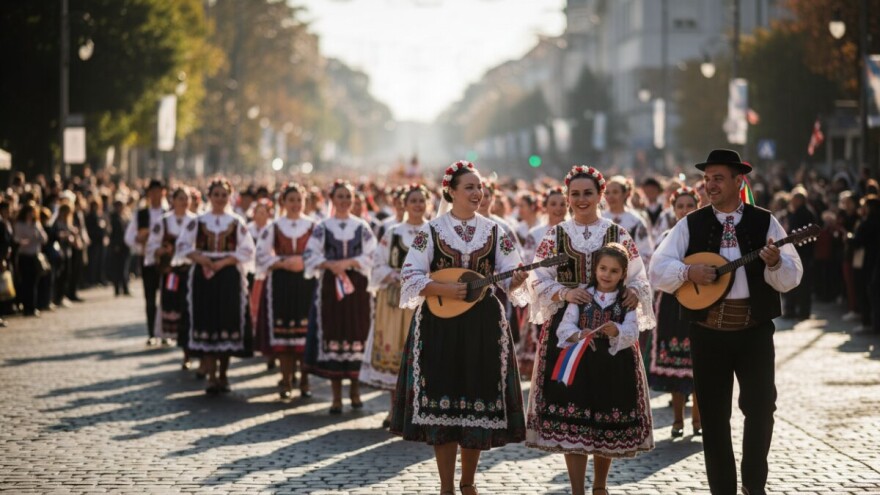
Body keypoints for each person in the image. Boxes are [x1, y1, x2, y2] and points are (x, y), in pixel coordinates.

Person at [651, 149, 803, 495]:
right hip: (709, 332)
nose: (710, 185)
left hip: (754, 331)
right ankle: (722, 490)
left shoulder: (765, 221)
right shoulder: (691, 223)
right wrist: (688, 271)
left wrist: (776, 262)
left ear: (739, 180)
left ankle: (754, 483)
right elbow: (657, 269)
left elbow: (792, 277)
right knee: (715, 418)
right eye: (707, 179)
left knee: (762, 408)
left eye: (718, 178)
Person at [390, 161, 529, 495]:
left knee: (476, 400)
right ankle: (446, 486)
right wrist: (444, 289)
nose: (477, 193)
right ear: (450, 192)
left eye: (479, 187)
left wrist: (518, 277)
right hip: (440, 324)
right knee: (443, 402)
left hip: (483, 325)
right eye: (469, 187)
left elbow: (510, 271)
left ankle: (468, 482)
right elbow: (410, 275)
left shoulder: (496, 231)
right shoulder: (431, 231)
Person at [526, 165, 655, 495]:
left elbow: (640, 275)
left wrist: (633, 292)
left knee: (606, 405)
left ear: (600, 195)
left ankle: (600, 485)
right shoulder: (555, 235)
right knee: (573, 408)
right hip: (568, 334)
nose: (582, 199)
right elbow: (537, 279)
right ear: (567, 198)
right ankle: (577, 489)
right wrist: (565, 293)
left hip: (611, 329)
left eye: (588, 193)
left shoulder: (618, 234)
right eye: (575, 194)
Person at [303, 180, 377, 414]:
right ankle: (336, 397)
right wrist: (329, 265)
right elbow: (310, 254)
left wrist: (349, 262)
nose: (344, 201)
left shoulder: (362, 227)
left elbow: (373, 255)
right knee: (334, 332)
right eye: (340, 196)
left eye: (348, 197)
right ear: (332, 199)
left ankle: (355, 392)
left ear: (354, 200)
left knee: (357, 333)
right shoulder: (323, 227)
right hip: (330, 287)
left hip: (357, 287)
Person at [176, 178, 256, 394]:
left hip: (229, 275)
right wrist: (201, 258)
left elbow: (248, 249)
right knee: (207, 321)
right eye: (216, 195)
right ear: (209, 197)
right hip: (204, 275)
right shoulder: (199, 221)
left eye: (224, 195)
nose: (220, 199)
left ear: (229, 197)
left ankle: (223, 374)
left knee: (227, 321)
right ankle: (211, 376)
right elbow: (182, 245)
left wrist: (225, 261)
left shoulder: (236, 221)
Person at [361, 183, 429, 427]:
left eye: (422, 201)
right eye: (413, 201)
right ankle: (393, 411)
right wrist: (394, 275)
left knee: (420, 354)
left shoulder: (432, 232)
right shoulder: (392, 233)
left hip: (424, 301)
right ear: (404, 204)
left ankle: (416, 411)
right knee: (395, 354)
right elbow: (376, 264)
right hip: (394, 302)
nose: (418, 205)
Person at [648, 186, 702, 438]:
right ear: (673, 209)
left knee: (700, 365)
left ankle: (698, 420)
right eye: (679, 206)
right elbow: (656, 271)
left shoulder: (704, 235)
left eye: (689, 205)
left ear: (698, 206)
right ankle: (678, 419)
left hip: (701, 303)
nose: (684, 210)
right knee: (675, 363)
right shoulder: (668, 236)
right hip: (672, 304)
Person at [254, 183, 317, 399]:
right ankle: (286, 379)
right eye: (291, 200)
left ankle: (306, 380)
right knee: (284, 335)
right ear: (284, 202)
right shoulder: (274, 227)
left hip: (306, 283)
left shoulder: (313, 226)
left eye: (299, 200)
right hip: (280, 283)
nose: (295, 204)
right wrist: (282, 262)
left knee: (305, 333)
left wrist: (303, 262)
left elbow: (321, 253)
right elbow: (261, 255)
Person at [145, 187, 198, 364]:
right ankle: (181, 343)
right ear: (173, 200)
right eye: (181, 198)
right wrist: (162, 250)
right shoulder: (164, 221)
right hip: (171, 273)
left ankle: (188, 353)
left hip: (191, 272)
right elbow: (152, 245)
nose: (184, 202)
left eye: (187, 198)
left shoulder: (196, 220)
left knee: (189, 309)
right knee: (175, 307)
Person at [125, 179, 167, 346]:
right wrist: (139, 240)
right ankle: (152, 333)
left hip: (165, 262)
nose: (156, 195)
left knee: (166, 298)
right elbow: (128, 237)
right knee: (150, 298)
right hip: (148, 261)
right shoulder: (141, 214)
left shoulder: (168, 212)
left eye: (159, 191)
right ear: (149, 194)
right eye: (153, 192)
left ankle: (165, 332)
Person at [783, 186, 816, 320]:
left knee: (803, 283)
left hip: (803, 253)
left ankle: (801, 311)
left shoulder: (805, 214)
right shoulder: (795, 213)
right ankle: (795, 310)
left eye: (794, 199)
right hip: (796, 252)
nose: (792, 201)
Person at [13, 201, 47, 317]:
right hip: (24, 256)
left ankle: (33, 306)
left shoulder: (36, 224)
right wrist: (26, 240)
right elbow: (18, 240)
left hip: (34, 256)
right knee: (26, 282)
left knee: (34, 282)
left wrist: (36, 236)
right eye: (29, 212)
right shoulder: (19, 224)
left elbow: (44, 238)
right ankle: (26, 306)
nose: (30, 215)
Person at [107, 200, 131, 297]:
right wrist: (115, 245)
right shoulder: (113, 217)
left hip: (125, 245)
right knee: (117, 268)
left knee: (124, 268)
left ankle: (125, 288)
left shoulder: (124, 216)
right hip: (117, 246)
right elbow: (113, 233)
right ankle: (118, 288)